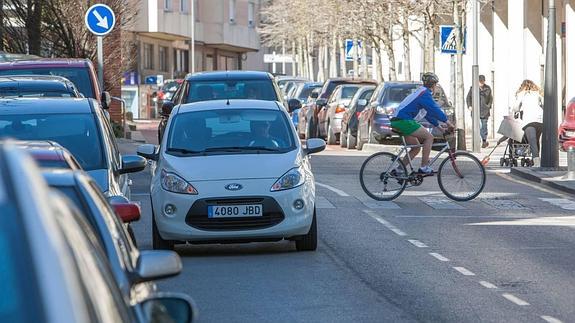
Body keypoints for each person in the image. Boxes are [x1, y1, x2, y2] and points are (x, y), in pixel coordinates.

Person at [391, 72, 455, 174]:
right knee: (429, 137)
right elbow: (434, 109)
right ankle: (424, 167)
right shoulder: (424, 94)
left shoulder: (421, 92)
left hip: (399, 120)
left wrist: (440, 127)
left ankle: (399, 169)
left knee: (415, 148)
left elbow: (427, 114)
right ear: (434, 85)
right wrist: (448, 123)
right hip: (404, 120)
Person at [512, 79, 543, 166]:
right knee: (536, 140)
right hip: (540, 120)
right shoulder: (537, 93)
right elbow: (543, 104)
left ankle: (537, 162)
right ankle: (536, 160)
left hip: (529, 120)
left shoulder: (521, 94)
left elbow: (516, 108)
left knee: (532, 140)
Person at [466, 75, 493, 148]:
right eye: (480, 82)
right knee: (478, 126)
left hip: (485, 111)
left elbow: (490, 99)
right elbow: (468, 98)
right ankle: (477, 141)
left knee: (484, 126)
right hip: (475, 111)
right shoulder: (473, 88)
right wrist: (469, 106)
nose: (481, 83)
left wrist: (488, 106)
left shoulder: (488, 88)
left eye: (482, 81)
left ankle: (484, 141)